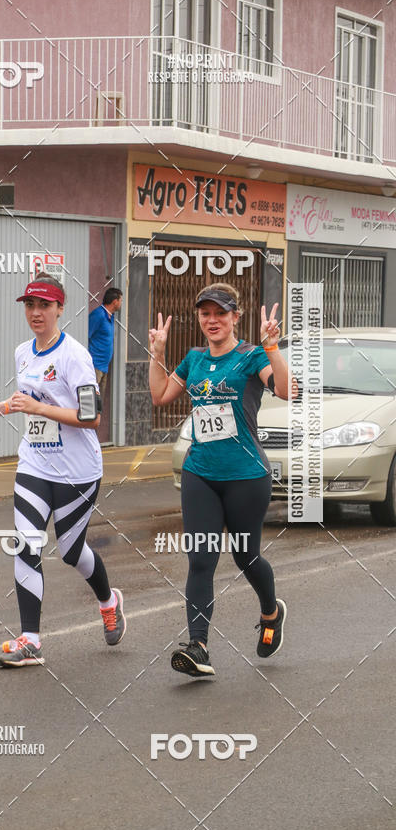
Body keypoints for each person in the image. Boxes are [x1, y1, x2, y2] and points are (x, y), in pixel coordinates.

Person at [0, 273, 126, 667]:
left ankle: (109, 601)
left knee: (72, 552)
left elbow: (92, 417)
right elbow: (28, 397)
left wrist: (40, 409)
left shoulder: (75, 356)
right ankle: (31, 640)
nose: (36, 312)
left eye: (44, 305)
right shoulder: (23, 352)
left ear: (60, 308)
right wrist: (0, 408)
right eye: (30, 305)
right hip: (35, 463)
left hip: (77, 471)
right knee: (27, 543)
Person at [148, 282, 296, 678]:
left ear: (236, 317)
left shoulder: (250, 357)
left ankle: (271, 611)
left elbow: (286, 390)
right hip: (201, 473)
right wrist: (157, 354)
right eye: (205, 313)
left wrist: (272, 347)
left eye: (220, 313)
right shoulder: (194, 359)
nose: (212, 320)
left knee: (246, 557)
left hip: (247, 476)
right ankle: (198, 647)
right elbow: (161, 395)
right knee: (200, 560)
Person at [88, 287, 123, 398]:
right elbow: (86, 336)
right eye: (121, 300)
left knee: (99, 403)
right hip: (94, 366)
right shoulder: (98, 315)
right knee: (91, 401)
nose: (121, 303)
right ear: (115, 302)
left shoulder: (110, 317)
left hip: (104, 367)